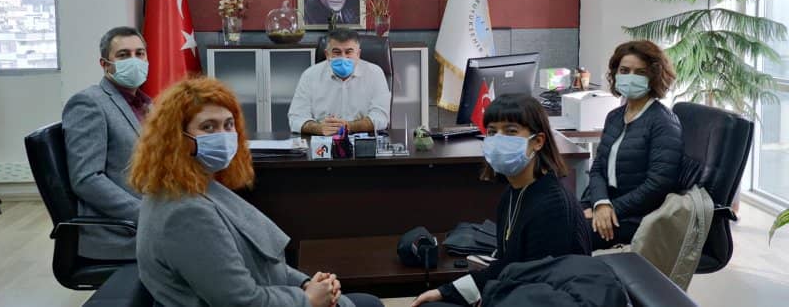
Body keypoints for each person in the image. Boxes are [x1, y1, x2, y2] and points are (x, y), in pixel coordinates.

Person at [129, 77, 384, 307]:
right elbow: (240, 301)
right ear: (176, 138)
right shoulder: (187, 213)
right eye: (208, 127)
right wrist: (307, 300)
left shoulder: (195, 185)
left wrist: (306, 283)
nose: (223, 136)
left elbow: (262, 265)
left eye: (229, 125)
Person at [412, 94, 592, 306]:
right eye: (492, 132)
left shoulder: (553, 206)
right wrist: (447, 291)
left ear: (538, 141)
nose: (498, 140)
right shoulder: (513, 193)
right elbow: (509, 265)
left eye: (511, 131)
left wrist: (486, 295)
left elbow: (539, 285)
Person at [583, 40, 683, 250]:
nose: (630, 77)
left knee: (569, 233)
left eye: (640, 72)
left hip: (639, 217)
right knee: (552, 217)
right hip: (606, 204)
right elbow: (598, 167)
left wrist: (611, 208)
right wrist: (600, 202)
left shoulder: (663, 122)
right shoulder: (614, 116)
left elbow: (658, 184)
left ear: (654, 76)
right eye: (624, 70)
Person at [62, 26, 151, 260]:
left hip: (158, 211)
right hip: (123, 230)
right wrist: (148, 215)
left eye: (139, 53)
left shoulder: (146, 104)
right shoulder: (89, 103)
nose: (134, 60)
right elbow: (87, 179)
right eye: (123, 55)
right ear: (105, 64)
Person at [288, 29, 390, 135]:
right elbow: (296, 118)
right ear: (327, 54)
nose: (343, 58)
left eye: (348, 52)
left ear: (358, 54)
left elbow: (381, 117)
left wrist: (349, 126)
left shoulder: (374, 73)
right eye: (337, 52)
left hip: (361, 138)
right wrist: (318, 128)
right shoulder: (310, 75)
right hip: (323, 139)